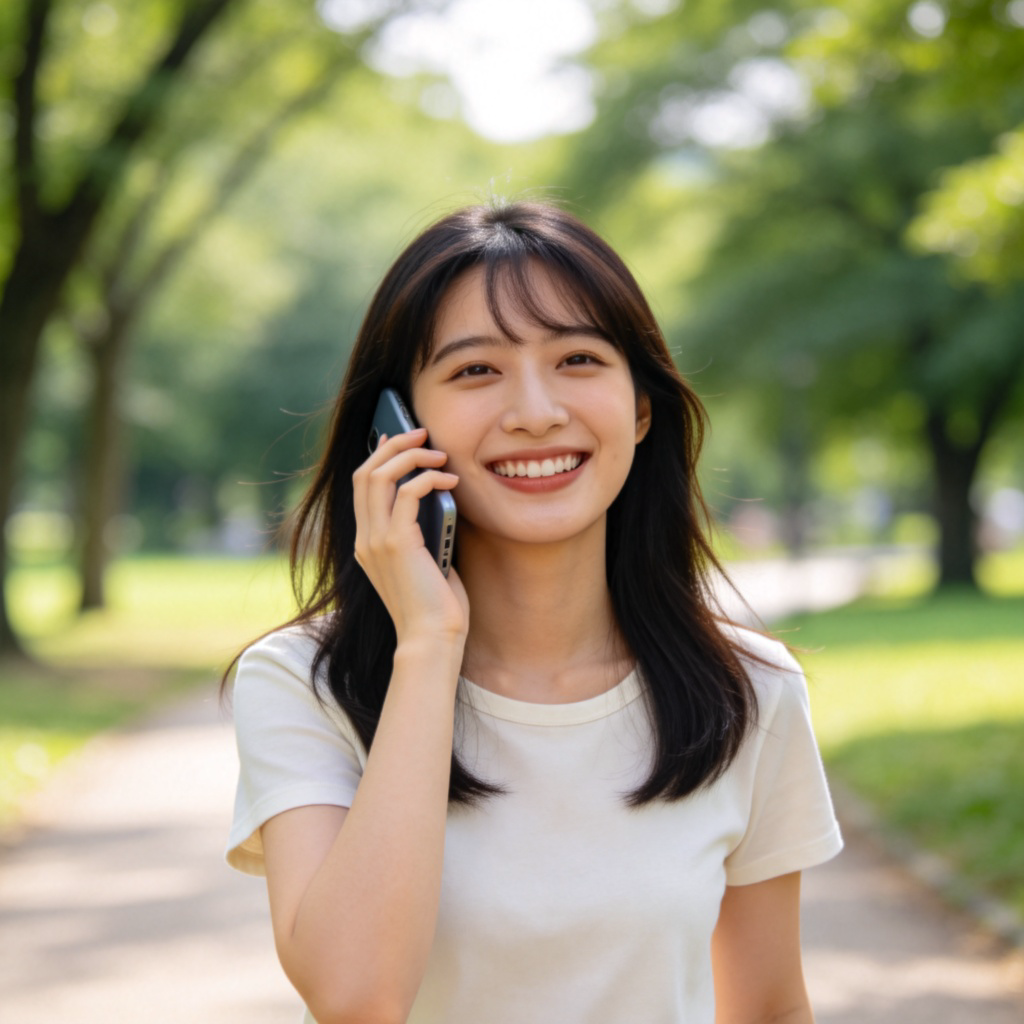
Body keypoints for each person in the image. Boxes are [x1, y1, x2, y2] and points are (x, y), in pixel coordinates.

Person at [225, 200, 843, 1024]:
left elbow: (768, 1008)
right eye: (476, 370)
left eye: (579, 359)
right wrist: (428, 645)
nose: (536, 411)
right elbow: (356, 996)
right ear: (397, 430)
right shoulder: (305, 685)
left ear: (642, 407)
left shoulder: (748, 690)